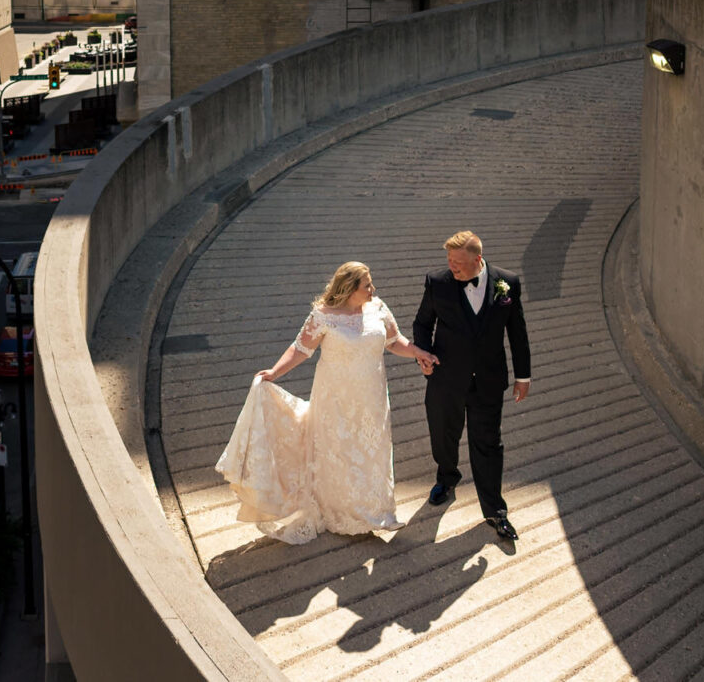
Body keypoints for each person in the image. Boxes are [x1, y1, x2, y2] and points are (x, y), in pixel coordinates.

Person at [215, 261, 439, 545]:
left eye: (371, 284)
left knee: (373, 450)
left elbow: (394, 342)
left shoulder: (378, 308)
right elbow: (300, 349)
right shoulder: (323, 316)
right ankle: (339, 513)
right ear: (348, 288)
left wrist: (419, 352)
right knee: (340, 452)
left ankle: (376, 512)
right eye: (366, 285)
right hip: (335, 398)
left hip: (372, 398)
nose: (373, 289)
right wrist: (274, 372)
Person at [413, 229, 531, 544]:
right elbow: (422, 324)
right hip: (445, 381)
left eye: (459, 263)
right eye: (450, 261)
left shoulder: (507, 284)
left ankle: (495, 510)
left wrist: (523, 376)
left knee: (488, 444)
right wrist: (423, 354)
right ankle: (447, 478)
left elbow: (517, 332)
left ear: (478, 259)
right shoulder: (437, 283)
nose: (453, 267)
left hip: (488, 382)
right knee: (443, 435)